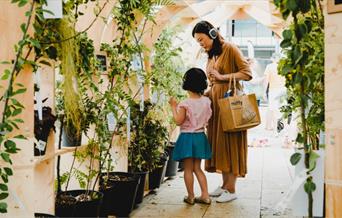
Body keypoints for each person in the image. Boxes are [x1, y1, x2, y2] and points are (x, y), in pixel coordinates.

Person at [192, 20, 252, 203]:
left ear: (212, 34)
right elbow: (214, 82)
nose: (201, 44)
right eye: (198, 42)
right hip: (216, 105)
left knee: (231, 144)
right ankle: (225, 185)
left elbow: (247, 73)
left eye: (202, 40)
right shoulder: (211, 55)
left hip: (230, 104)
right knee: (220, 145)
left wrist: (222, 77)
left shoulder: (230, 49)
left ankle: (232, 189)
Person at [169, 68, 212, 205]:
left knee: (188, 169)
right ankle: (205, 195)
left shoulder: (185, 104)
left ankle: (191, 196)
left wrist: (173, 107)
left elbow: (178, 121)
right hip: (200, 137)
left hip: (187, 138)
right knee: (197, 168)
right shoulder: (206, 101)